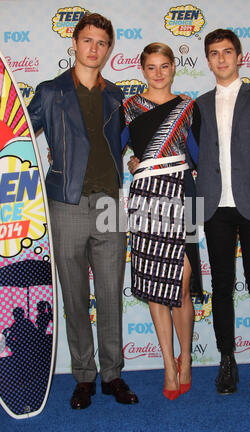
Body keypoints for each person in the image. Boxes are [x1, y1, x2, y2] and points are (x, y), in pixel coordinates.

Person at [28, 12, 138, 409]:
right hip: (65, 202)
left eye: (102, 43)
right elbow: (20, 134)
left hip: (111, 201)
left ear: (109, 49)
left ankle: (112, 375)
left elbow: (133, 139)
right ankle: (84, 377)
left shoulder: (118, 95)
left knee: (110, 295)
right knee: (74, 296)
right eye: (88, 40)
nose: (94, 48)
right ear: (74, 43)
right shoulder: (48, 91)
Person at [195, 29, 250, 400]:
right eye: (214, 53)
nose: (221, 59)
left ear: (240, 56)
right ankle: (227, 360)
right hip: (215, 207)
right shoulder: (197, 105)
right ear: (207, 59)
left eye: (227, 52)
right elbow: (186, 155)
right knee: (222, 288)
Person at [125, 43, 202, 400]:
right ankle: (168, 366)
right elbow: (112, 150)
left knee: (182, 284)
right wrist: (135, 164)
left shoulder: (189, 106)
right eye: (151, 67)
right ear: (142, 69)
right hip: (145, 201)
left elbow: (200, 155)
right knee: (156, 285)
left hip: (184, 198)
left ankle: (186, 359)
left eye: (164, 66)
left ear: (174, 67)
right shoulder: (128, 108)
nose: (158, 73)